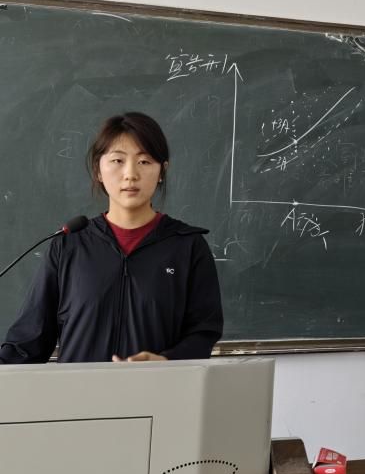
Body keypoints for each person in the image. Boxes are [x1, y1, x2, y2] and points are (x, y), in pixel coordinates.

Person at [0, 112, 223, 364]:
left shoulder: (187, 246)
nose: (130, 174)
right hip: (78, 389)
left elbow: (203, 334)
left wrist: (166, 360)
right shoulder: (69, 245)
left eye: (144, 161)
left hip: (156, 387)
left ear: (162, 171)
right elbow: (27, 344)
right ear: (98, 169)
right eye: (118, 160)